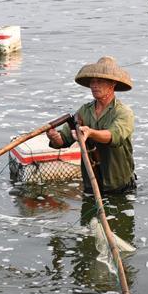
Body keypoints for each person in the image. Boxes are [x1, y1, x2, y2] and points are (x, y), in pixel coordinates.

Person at [46, 56, 136, 195]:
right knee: (89, 215)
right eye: (92, 82)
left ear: (112, 84)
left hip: (118, 184)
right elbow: (62, 141)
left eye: (99, 81)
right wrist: (53, 136)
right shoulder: (84, 111)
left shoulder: (123, 112)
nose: (94, 85)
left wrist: (90, 133)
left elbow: (114, 136)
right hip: (91, 183)